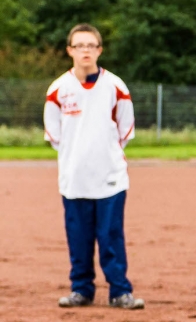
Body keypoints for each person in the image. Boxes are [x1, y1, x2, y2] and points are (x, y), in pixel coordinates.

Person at [43, 24, 146, 310]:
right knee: (79, 238)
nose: (85, 50)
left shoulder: (116, 86)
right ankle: (82, 290)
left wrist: (104, 154)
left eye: (91, 45)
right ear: (69, 50)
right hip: (74, 179)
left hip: (110, 178)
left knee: (111, 236)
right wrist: (77, 156)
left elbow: (125, 130)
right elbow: (54, 135)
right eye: (79, 45)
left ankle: (120, 291)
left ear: (99, 50)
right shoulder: (58, 90)